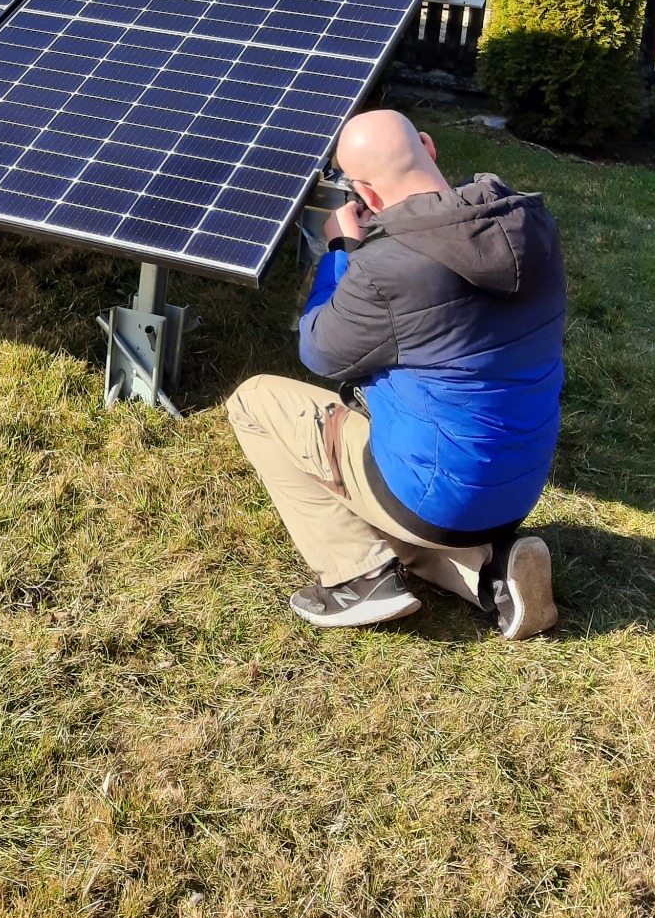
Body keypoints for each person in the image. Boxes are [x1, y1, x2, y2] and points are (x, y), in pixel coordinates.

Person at [227, 109, 565, 639]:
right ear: (429, 147)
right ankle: (489, 575)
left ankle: (357, 576)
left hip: (437, 494)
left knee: (253, 402)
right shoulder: (530, 224)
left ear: (365, 192)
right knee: (410, 487)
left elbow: (319, 350)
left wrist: (340, 251)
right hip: (519, 484)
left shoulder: (387, 269)